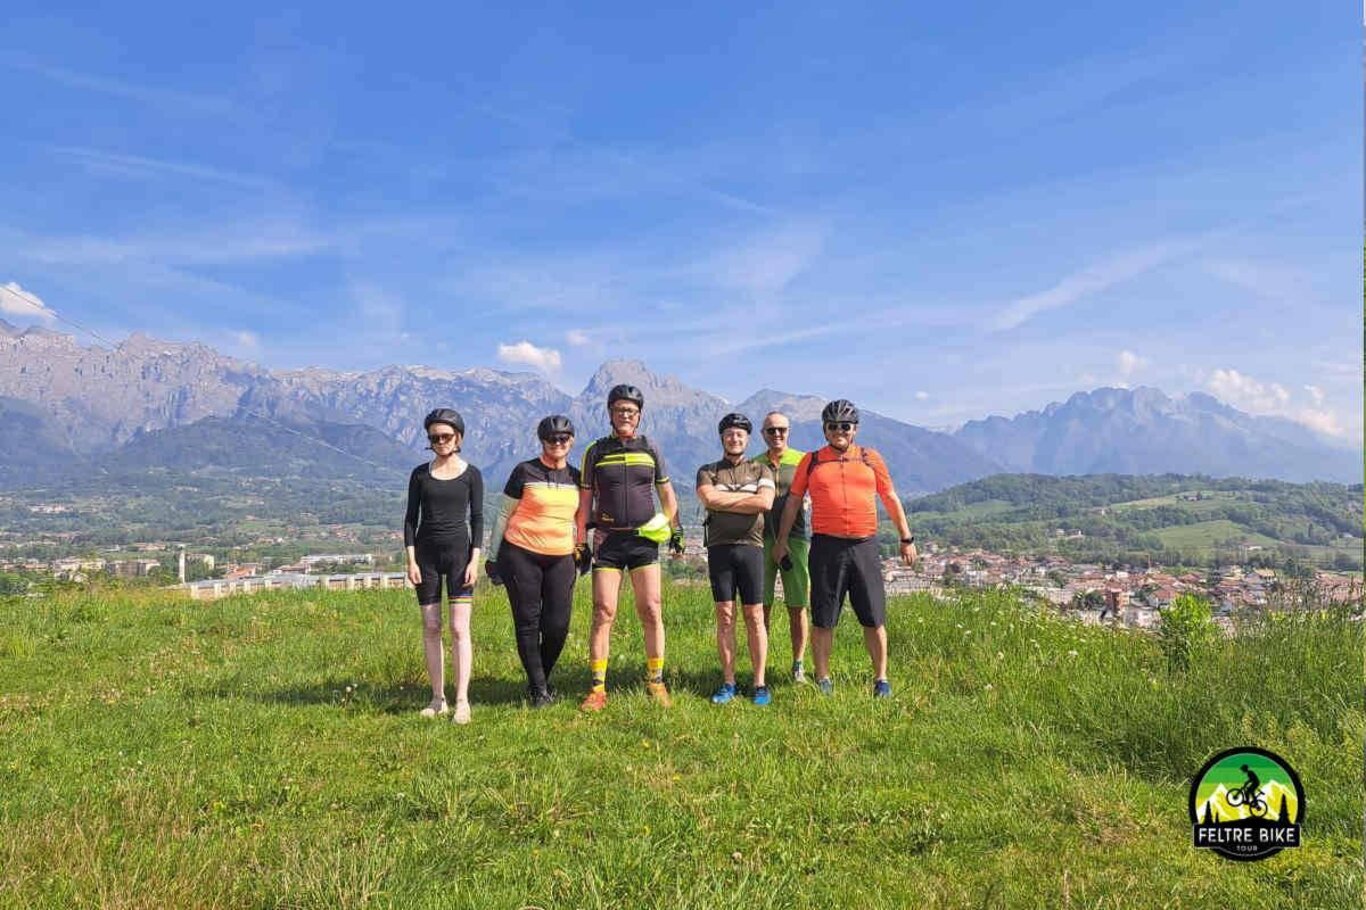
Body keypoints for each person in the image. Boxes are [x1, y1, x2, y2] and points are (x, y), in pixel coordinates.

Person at [773, 399, 916, 698]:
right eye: (833, 426)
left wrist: (906, 537)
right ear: (824, 429)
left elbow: (889, 497)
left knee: (874, 616)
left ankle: (881, 679)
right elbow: (794, 501)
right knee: (823, 617)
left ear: (855, 429)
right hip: (826, 546)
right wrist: (782, 540)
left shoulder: (870, 458)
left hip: (864, 545)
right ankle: (823, 678)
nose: (839, 430)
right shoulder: (812, 461)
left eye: (845, 426)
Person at [576, 384, 685, 711]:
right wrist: (580, 540)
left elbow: (666, 495)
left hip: (643, 541)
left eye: (631, 411)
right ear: (610, 413)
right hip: (607, 539)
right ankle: (598, 688)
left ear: (639, 416)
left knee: (651, 608)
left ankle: (656, 681)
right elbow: (585, 501)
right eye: (620, 410)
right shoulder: (595, 451)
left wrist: (676, 530)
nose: (625, 415)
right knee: (603, 611)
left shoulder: (650, 447)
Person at [484, 415, 585, 707]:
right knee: (528, 622)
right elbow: (504, 514)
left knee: (557, 626)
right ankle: (540, 690)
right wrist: (493, 557)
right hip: (520, 554)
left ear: (571, 441)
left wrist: (584, 548)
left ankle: (538, 678)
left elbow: (582, 518)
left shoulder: (577, 477)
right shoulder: (524, 471)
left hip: (561, 556)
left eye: (563, 438)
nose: (557, 443)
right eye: (551, 438)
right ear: (542, 441)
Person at [404, 408, 484, 723]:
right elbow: (410, 519)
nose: (440, 442)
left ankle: (463, 700)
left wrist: (475, 560)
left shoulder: (471, 474)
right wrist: (411, 559)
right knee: (431, 627)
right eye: (434, 437)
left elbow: (477, 519)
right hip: (425, 558)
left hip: (460, 557)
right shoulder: (419, 475)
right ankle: (438, 698)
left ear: (458, 437)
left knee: (459, 628)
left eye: (446, 436)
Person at [697, 413, 776, 706]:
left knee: (755, 616)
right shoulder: (708, 470)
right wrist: (746, 502)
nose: (734, 439)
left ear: (747, 439)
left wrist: (724, 502)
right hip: (720, 549)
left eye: (740, 434)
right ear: (722, 438)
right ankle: (728, 681)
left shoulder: (761, 469)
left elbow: (765, 502)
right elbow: (709, 500)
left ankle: (759, 683)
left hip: (751, 549)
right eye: (729, 434)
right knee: (725, 616)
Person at [753, 410, 811, 682]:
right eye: (771, 430)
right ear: (763, 434)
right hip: (760, 540)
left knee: (797, 605)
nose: (777, 434)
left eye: (782, 429)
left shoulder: (803, 461)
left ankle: (798, 664)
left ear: (789, 431)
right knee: (760, 606)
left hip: (795, 540)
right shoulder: (754, 464)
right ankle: (761, 665)